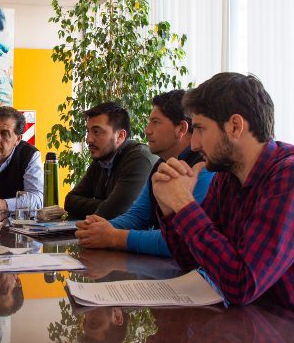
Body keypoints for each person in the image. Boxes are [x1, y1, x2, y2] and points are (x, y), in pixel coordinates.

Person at [151, 72, 294, 339]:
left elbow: (240, 284)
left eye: (200, 129)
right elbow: (193, 262)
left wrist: (185, 204)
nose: (194, 143)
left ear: (234, 126)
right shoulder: (227, 179)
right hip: (268, 326)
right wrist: (169, 208)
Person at [75, 91, 215, 256]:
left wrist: (114, 237)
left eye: (155, 122)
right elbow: (138, 215)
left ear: (181, 129)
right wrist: (99, 228)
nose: (147, 130)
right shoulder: (161, 165)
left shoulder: (204, 170)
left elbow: (185, 240)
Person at [65, 102, 157, 220]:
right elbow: (70, 201)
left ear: (120, 136)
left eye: (97, 132)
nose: (89, 139)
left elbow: (115, 213)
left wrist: (108, 207)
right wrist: (105, 204)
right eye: (88, 131)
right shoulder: (102, 160)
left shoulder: (139, 159)